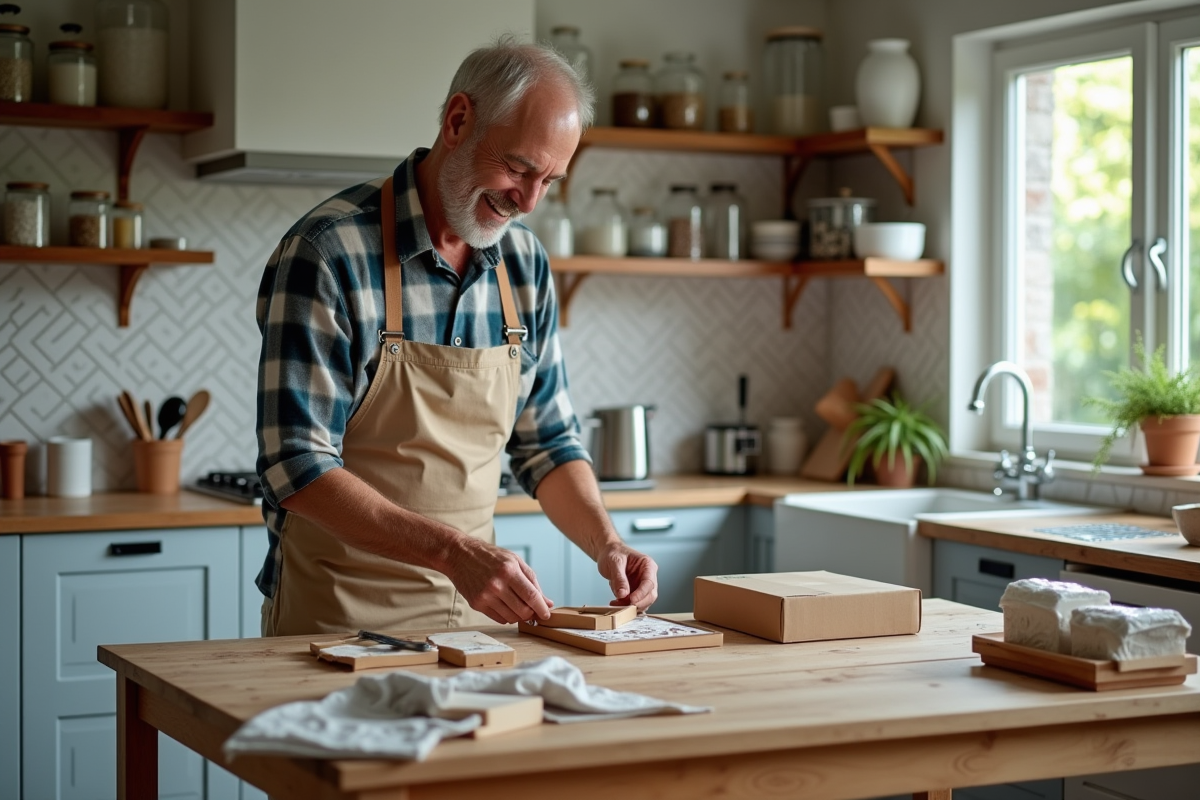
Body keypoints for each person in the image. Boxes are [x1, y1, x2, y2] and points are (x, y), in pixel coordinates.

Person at [254, 37, 659, 636]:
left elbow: (547, 443)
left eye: (550, 180)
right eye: (519, 168)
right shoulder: (328, 253)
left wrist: (608, 543)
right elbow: (296, 465)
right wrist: (453, 553)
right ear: (458, 121)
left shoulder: (524, 264)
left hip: (474, 625)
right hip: (332, 624)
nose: (529, 201)